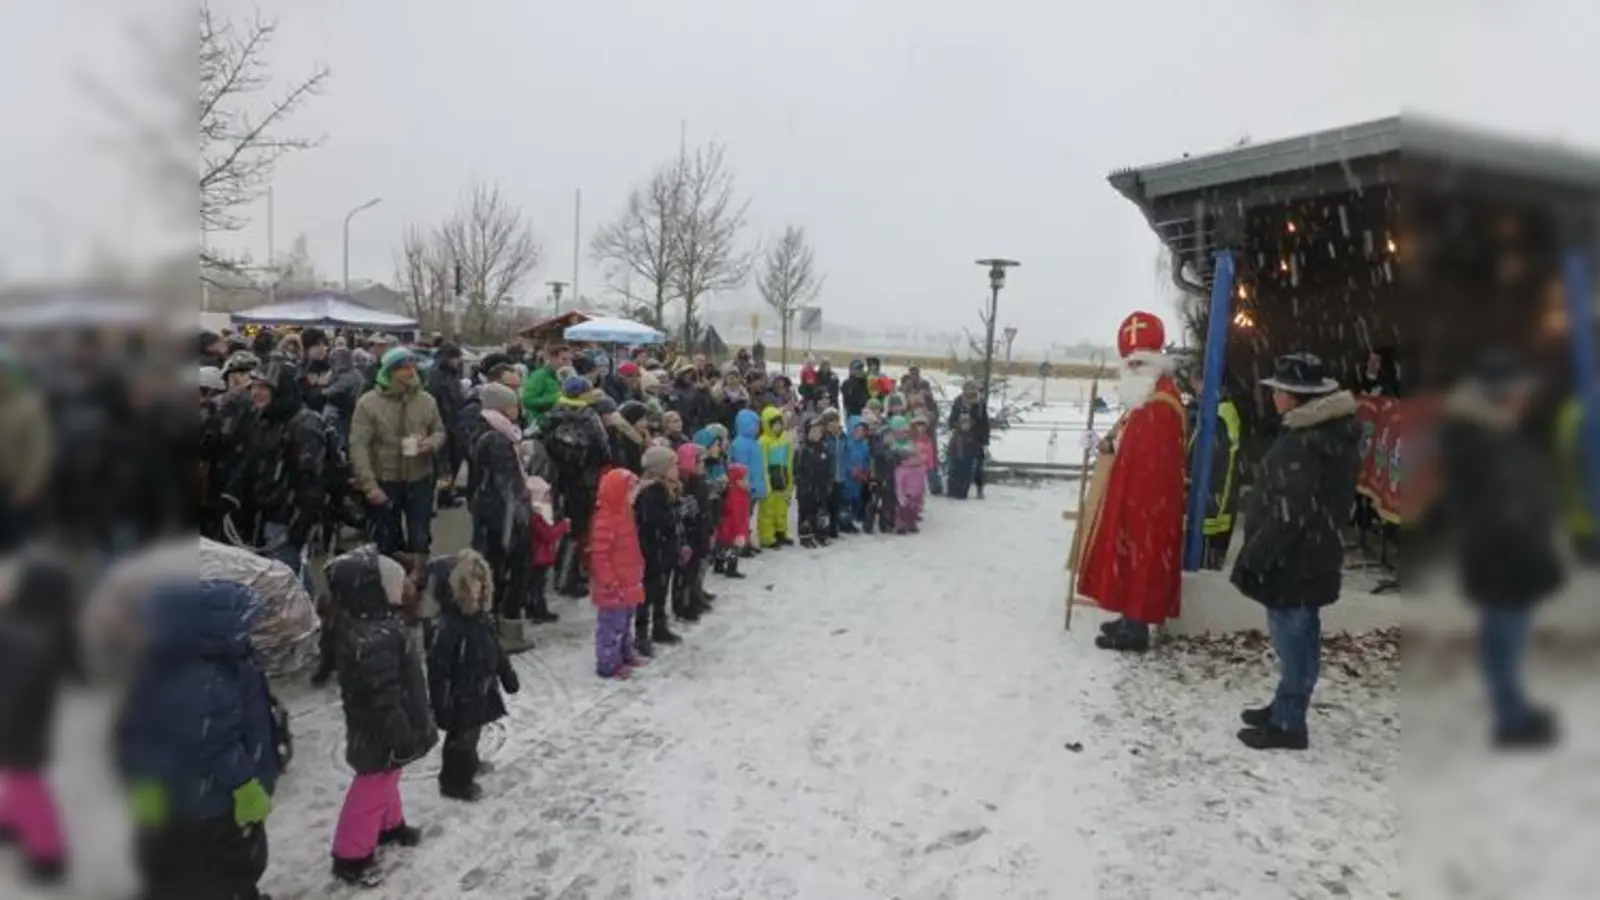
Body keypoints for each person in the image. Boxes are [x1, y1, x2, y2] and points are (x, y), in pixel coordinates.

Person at [118, 580, 281, 900]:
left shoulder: (161, 665)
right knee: (233, 862)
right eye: (246, 621)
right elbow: (216, 743)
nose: (253, 627)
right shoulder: (209, 678)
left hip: (179, 797)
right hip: (219, 801)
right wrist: (245, 785)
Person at [1230, 352, 1360, 751]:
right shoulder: (1317, 432)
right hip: (1306, 556)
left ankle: (1289, 725)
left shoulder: (1309, 440)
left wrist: (1256, 555)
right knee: (1296, 639)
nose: (1273, 397)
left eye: (1279, 391)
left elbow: (1291, 512)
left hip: (1297, 561)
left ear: (1297, 396)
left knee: (1295, 642)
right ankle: (1284, 708)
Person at [1438, 353, 1564, 749]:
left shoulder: (1487, 432)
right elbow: (1504, 507)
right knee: (1505, 638)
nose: (1524, 400)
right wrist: (1529, 548)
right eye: (1518, 392)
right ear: (1501, 395)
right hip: (1506, 560)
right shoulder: (1485, 440)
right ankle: (1512, 719)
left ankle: (1512, 709)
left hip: (1500, 557)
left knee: (1502, 637)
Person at [1077, 312, 1187, 653]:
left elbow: (1153, 461)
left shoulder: (1160, 403)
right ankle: (1128, 616)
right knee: (1130, 560)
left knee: (1144, 561)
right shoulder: (1146, 398)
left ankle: (1136, 628)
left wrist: (1136, 495)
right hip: (1135, 497)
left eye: (1137, 364)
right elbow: (1130, 444)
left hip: (1148, 503)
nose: (1131, 370)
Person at [326, 548, 436, 887]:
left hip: (388, 724)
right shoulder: (372, 636)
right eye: (393, 583)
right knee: (373, 783)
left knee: (388, 775)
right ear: (372, 590)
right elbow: (382, 693)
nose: (401, 588)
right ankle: (351, 855)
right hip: (381, 727)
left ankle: (390, 826)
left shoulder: (377, 625)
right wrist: (399, 728)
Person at [0, 556, 74, 885]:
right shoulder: (41, 632)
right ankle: (35, 844)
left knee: (25, 784)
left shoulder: (19, 631)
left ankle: (37, 845)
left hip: (15, 725)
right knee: (23, 782)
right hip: (21, 725)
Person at [427, 549, 520, 802]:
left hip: (482, 689)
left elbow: (496, 648)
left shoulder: (482, 619)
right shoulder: (447, 628)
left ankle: (470, 761)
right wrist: (440, 706)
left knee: (473, 733)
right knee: (460, 738)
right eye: (475, 583)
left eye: (483, 582)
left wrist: (507, 674)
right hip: (460, 696)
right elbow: (438, 671)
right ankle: (454, 781)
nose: (481, 588)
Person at [350, 348, 446, 557]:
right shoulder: (368, 403)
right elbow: (358, 446)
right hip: (385, 479)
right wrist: (369, 485)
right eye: (403, 367)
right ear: (389, 371)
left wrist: (430, 444)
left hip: (420, 477)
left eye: (412, 366)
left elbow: (439, 431)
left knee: (420, 537)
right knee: (387, 540)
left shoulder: (426, 400)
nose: (410, 371)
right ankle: (392, 581)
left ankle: (420, 579)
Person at [466, 383, 536, 653]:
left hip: (488, 513)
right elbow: (508, 485)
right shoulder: (497, 439)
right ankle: (506, 631)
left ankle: (491, 626)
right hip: (502, 517)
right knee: (510, 570)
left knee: (493, 569)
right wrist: (522, 514)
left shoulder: (489, 433)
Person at [589, 468, 647, 679]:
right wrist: (608, 580)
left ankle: (624, 654)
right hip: (613, 584)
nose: (633, 495)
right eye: (629, 490)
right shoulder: (606, 518)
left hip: (629, 580)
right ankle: (608, 663)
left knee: (624, 622)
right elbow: (599, 554)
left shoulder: (625, 514)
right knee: (611, 625)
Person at [0, 346, 52, 553]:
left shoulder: (28, 405)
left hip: (15, 488)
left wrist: (28, 488)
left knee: (14, 545)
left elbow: (38, 451)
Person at [634, 446, 684, 655]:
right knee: (648, 592)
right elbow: (651, 521)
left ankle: (660, 625)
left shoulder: (670, 488)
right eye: (673, 465)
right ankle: (641, 633)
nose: (677, 468)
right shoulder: (650, 492)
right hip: (653, 549)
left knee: (662, 588)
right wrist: (674, 516)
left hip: (665, 548)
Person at [426, 343, 469, 508]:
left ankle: (445, 495)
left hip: (452, 423)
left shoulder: (449, 374)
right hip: (446, 424)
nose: (458, 361)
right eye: (456, 357)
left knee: (450, 463)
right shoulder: (439, 376)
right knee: (444, 464)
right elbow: (442, 401)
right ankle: (441, 497)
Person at [527, 477, 569, 625]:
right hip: (539, 557)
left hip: (538, 556)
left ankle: (534, 609)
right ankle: (538, 610)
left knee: (536, 585)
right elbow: (548, 535)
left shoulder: (534, 514)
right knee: (537, 586)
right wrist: (563, 526)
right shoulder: (536, 516)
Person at [729, 409, 769, 548]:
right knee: (742, 516)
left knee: (748, 515)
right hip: (744, 486)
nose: (758, 428)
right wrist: (745, 482)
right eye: (755, 425)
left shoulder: (753, 442)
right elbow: (740, 466)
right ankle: (741, 542)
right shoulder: (740, 443)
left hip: (752, 485)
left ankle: (747, 539)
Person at [757, 406, 796, 548]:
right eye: (775, 424)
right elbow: (763, 464)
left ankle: (781, 531)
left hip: (782, 478)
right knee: (767, 510)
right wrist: (766, 483)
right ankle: (767, 536)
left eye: (780, 424)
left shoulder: (784, 440)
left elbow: (788, 461)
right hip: (770, 479)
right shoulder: (763, 442)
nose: (778, 427)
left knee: (781, 508)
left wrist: (789, 481)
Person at [795, 416, 835, 548]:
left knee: (822, 511)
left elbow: (829, 467)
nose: (816, 434)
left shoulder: (824, 448)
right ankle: (806, 535)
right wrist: (803, 485)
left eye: (819, 431)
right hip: (806, 488)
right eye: (813, 431)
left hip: (821, 486)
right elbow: (798, 470)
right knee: (807, 512)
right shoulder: (803, 450)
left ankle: (822, 533)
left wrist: (829, 482)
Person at [948, 380, 991, 499]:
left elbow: (985, 423)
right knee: (956, 465)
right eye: (967, 390)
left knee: (977, 466)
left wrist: (984, 440)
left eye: (973, 390)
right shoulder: (958, 402)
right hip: (960, 438)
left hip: (975, 438)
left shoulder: (980, 404)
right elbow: (951, 420)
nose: (970, 393)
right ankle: (954, 489)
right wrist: (957, 425)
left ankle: (978, 489)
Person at [521, 343, 571, 430]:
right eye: (564, 359)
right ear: (552, 359)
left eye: (570, 360)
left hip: (562, 420)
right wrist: (555, 399)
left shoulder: (564, 376)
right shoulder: (539, 376)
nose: (568, 364)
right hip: (541, 423)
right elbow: (527, 400)